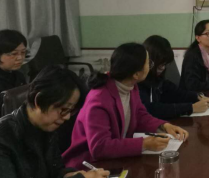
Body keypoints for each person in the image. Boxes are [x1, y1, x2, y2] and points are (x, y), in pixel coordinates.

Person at [0, 65, 109, 178]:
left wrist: (69, 175)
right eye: (64, 109)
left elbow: (54, 172)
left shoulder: (45, 126)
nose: (67, 117)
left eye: (70, 111)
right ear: (39, 100)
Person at [62, 42, 189, 170]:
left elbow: (139, 115)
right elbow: (100, 147)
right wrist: (144, 144)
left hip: (114, 160)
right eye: (148, 63)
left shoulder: (130, 86)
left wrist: (164, 126)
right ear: (136, 74)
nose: (150, 67)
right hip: (89, 167)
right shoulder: (99, 99)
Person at [139, 35, 209, 119]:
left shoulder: (157, 79)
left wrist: (198, 97)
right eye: (160, 65)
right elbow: (150, 109)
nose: (162, 68)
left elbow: (176, 92)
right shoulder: (139, 81)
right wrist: (191, 108)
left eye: (165, 64)